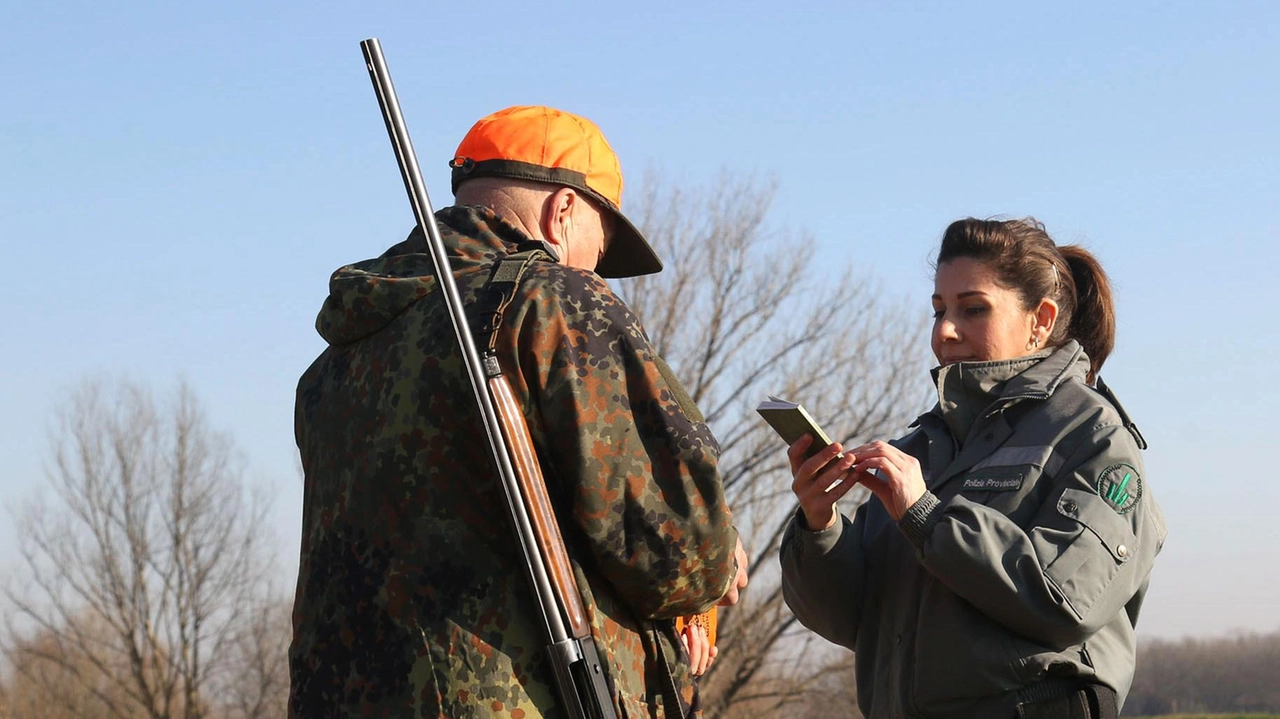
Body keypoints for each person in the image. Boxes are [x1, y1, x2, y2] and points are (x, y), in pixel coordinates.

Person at [290, 105, 748, 718]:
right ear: (562, 213)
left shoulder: (341, 355)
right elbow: (679, 551)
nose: (594, 272)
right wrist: (716, 567)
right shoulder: (552, 301)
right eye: (598, 247)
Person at [780, 218, 1167, 719]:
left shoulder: (1092, 434)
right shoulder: (917, 448)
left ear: (1040, 320)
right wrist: (820, 525)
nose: (945, 329)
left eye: (973, 308)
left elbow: (1066, 600)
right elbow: (854, 621)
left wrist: (925, 515)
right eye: (939, 309)